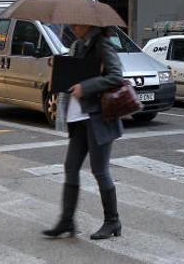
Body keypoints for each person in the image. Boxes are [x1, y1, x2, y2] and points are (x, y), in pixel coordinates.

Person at [44, 24, 124, 240]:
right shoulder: (78, 45)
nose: (72, 26)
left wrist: (86, 87)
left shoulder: (103, 45)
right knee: (70, 166)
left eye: (76, 22)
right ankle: (67, 220)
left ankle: (112, 221)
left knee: (99, 170)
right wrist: (58, 64)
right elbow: (77, 71)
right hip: (78, 117)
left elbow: (117, 76)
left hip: (98, 118)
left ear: (89, 24)